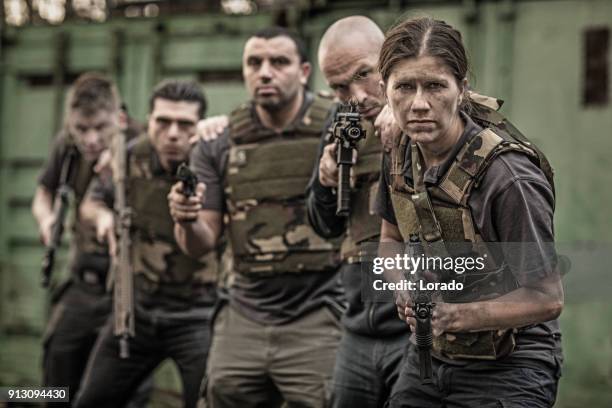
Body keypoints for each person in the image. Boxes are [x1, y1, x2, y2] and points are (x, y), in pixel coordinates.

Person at [376, 16, 564, 407]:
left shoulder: (507, 178)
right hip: (430, 357)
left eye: (435, 86)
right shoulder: (399, 153)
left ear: (462, 89)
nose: (419, 104)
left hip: (512, 365)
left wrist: (453, 316)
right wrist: (402, 287)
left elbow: (547, 298)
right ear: (385, 91)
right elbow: (389, 241)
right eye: (404, 87)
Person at [168, 27, 344, 408]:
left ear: (303, 71)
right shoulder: (218, 141)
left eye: (278, 62)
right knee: (221, 394)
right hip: (244, 311)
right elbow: (201, 243)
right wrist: (185, 218)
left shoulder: (338, 126)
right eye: (254, 63)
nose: (265, 72)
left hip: (318, 311)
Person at [74, 80, 218, 408]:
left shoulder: (213, 159)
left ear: (199, 126)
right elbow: (90, 203)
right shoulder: (127, 158)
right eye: (162, 122)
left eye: (184, 124)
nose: (172, 133)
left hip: (199, 313)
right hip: (136, 311)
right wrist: (103, 218)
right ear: (148, 120)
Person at [306, 16, 410, 408]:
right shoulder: (342, 120)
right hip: (358, 326)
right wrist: (325, 180)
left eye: (364, 74)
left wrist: (405, 120)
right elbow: (325, 225)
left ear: (389, 59)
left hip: (416, 325)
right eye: (338, 87)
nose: (356, 95)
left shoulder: (430, 107)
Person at [32, 73, 150, 407]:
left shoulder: (144, 141)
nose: (91, 139)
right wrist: (47, 219)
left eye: (101, 128)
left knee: (125, 388)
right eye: (81, 129)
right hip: (83, 283)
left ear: (120, 117)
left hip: (129, 288)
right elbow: (43, 192)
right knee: (56, 370)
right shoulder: (67, 146)